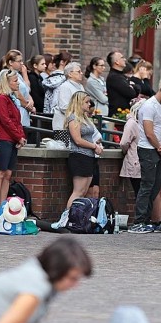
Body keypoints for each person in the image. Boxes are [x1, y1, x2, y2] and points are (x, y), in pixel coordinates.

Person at [128, 80, 161, 233]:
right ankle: (138, 221)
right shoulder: (149, 106)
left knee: (156, 186)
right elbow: (148, 131)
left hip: (159, 150)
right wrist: (159, 146)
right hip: (147, 149)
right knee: (147, 185)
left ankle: (146, 220)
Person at [53, 93, 103, 228]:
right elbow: (77, 140)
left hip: (89, 156)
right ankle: (66, 217)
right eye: (87, 102)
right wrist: (94, 146)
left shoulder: (86, 118)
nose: (89, 104)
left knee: (85, 191)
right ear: (79, 102)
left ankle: (80, 217)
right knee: (78, 191)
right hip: (79, 156)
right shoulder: (73, 118)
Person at [0, 69, 27, 215]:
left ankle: (3, 204)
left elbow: (17, 120)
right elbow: (5, 120)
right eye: (15, 80)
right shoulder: (0, 98)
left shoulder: (11, 98)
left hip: (12, 139)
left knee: (8, 174)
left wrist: (21, 136)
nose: (18, 83)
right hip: (4, 138)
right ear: (6, 83)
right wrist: (18, 136)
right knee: (0, 173)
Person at [52, 62, 85, 146]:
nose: (81, 73)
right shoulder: (65, 86)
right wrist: (80, 109)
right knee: (64, 151)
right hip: (64, 126)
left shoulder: (80, 86)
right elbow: (64, 107)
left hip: (77, 124)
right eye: (78, 71)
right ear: (70, 74)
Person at [119, 98, 145, 197]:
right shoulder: (132, 123)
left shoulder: (141, 123)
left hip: (140, 161)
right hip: (135, 161)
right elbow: (124, 143)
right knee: (139, 192)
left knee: (141, 193)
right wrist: (127, 152)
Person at [3, 49, 35, 128]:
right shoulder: (7, 74)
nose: (22, 63)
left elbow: (26, 89)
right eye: (19, 61)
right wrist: (29, 106)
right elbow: (17, 94)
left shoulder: (18, 75)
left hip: (24, 114)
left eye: (22, 61)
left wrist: (30, 100)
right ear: (10, 62)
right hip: (18, 111)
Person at [106, 51, 135, 116]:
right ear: (117, 62)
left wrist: (134, 87)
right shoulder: (114, 77)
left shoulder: (121, 76)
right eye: (122, 57)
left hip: (124, 113)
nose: (124, 59)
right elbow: (131, 93)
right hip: (118, 115)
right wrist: (134, 87)